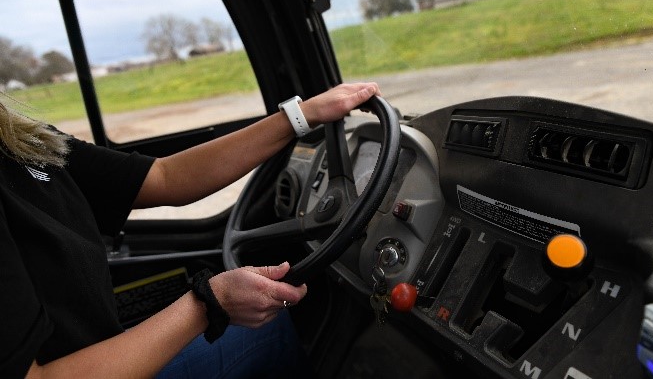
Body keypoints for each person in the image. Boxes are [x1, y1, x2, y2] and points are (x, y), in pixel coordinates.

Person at [0, 82, 382, 379]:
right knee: (267, 333)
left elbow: (166, 177)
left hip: (103, 354)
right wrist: (208, 304)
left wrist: (302, 115)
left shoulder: (20, 142)